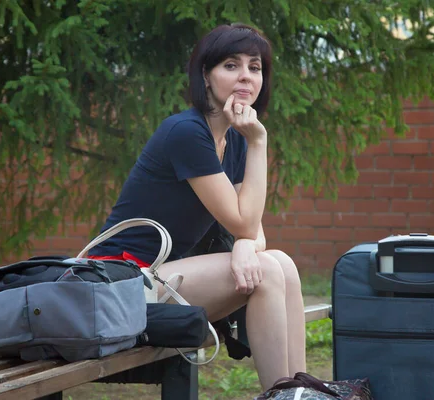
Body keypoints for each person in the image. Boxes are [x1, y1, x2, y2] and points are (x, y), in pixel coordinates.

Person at [88, 23, 306, 390]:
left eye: (255, 67)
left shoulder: (232, 140)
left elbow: (253, 232)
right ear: (205, 76)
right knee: (267, 271)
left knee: (280, 263)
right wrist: (260, 143)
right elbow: (243, 221)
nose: (246, 77)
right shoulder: (188, 133)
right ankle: (281, 394)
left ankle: (301, 389)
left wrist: (242, 243)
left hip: (159, 279)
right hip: (120, 286)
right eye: (231, 65)